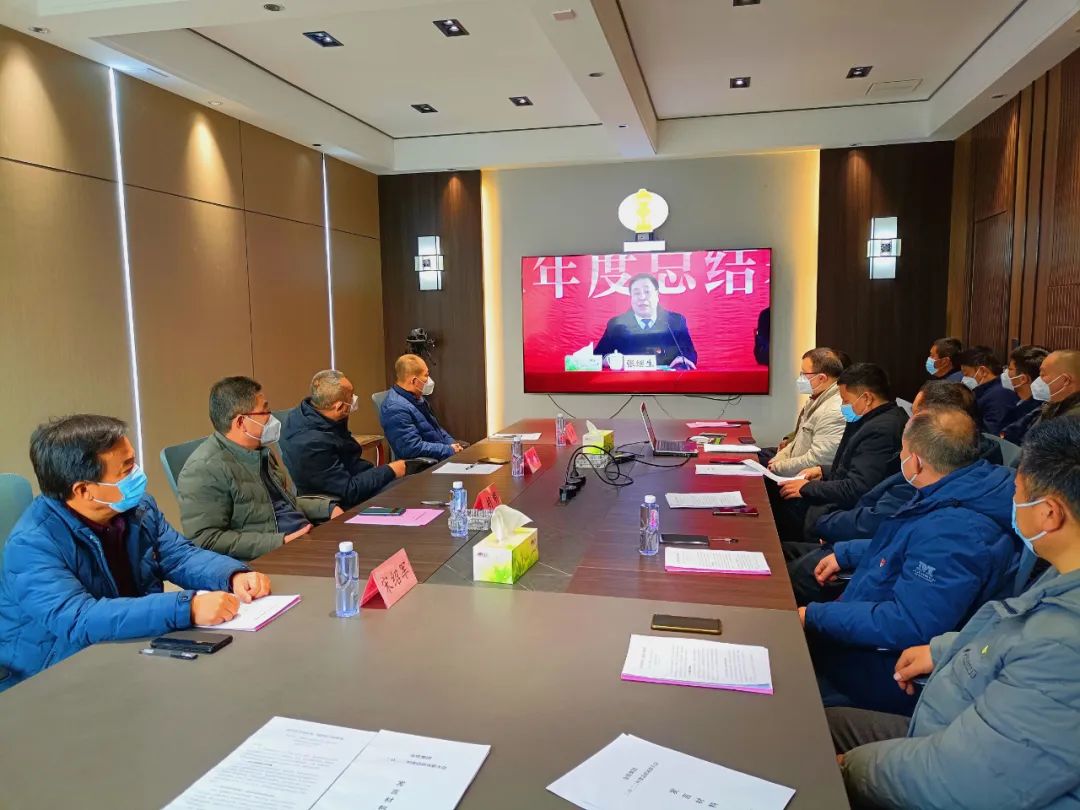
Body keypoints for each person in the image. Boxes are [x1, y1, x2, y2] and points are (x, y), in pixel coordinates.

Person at [831, 416, 1080, 810]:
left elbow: (966, 780)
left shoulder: (1063, 649)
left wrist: (850, 768)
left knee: (807, 731)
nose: (1012, 501)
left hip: (955, 764)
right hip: (952, 716)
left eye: (1017, 492)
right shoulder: (1062, 572)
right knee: (825, 722)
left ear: (1050, 513)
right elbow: (1012, 632)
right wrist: (946, 650)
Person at [0, 415, 270, 690]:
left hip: (132, 644)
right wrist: (186, 608)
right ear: (83, 490)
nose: (137, 474)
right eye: (127, 469)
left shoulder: (137, 508)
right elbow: (80, 619)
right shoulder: (31, 545)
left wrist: (231, 575)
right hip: (56, 675)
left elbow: (178, 556)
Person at [800, 408, 1018, 716]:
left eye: (902, 451)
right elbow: (906, 543)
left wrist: (815, 616)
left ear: (915, 461)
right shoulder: (959, 488)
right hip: (865, 621)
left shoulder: (955, 532)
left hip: (884, 662)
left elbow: (907, 623)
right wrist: (848, 553)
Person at [788, 380, 1002, 605]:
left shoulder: (940, 473)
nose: (909, 422)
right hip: (864, 546)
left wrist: (816, 616)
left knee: (789, 575)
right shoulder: (966, 467)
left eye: (916, 415)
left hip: (870, 563)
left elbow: (883, 525)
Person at [178, 376, 340, 561]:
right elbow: (206, 539)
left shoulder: (259, 452)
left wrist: (326, 509)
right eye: (265, 412)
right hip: (272, 557)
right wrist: (281, 542)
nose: (271, 418)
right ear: (241, 422)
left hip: (303, 539)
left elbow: (280, 504)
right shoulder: (203, 468)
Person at [771, 363, 907, 545]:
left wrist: (807, 488)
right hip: (836, 498)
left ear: (867, 398)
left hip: (843, 511)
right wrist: (823, 470)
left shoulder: (880, 431)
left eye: (845, 401)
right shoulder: (872, 419)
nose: (843, 406)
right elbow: (859, 467)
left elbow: (857, 487)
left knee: (777, 509)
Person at [281, 370, 406, 511]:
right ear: (339, 406)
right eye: (351, 396)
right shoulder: (310, 443)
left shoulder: (313, 413)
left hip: (357, 480)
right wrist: (390, 470)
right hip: (343, 503)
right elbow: (348, 492)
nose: (354, 399)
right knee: (406, 494)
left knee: (408, 483)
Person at [767, 348, 846, 478]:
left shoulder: (834, 411)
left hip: (803, 481)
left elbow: (817, 460)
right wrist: (779, 459)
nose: (800, 379)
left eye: (804, 374)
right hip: (790, 472)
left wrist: (778, 467)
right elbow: (797, 442)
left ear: (821, 378)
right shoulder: (814, 400)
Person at [594, 273, 697, 369]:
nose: (642, 297)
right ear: (631, 297)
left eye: (647, 292)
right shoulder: (616, 324)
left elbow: (690, 353)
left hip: (666, 381)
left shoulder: (675, 321)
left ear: (657, 295)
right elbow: (598, 356)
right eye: (636, 293)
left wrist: (683, 359)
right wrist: (609, 360)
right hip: (627, 381)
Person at [380, 354, 463, 461]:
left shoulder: (417, 398)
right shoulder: (394, 408)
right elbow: (411, 448)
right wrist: (448, 450)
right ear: (414, 381)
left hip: (439, 455)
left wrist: (452, 444)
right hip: (425, 465)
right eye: (426, 375)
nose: (429, 380)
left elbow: (436, 429)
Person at [957, 345, 1018, 435]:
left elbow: (992, 434)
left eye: (966, 374)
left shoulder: (999, 396)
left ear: (982, 371)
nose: (964, 379)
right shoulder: (982, 392)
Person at [998, 344, 1050, 445]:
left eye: (1010, 369)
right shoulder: (1014, 400)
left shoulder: (1037, 413)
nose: (1005, 372)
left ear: (1023, 379)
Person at [1033, 348, 1080, 423]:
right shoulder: (1055, 405)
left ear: (1065, 380)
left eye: (1043, 374)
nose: (1038, 380)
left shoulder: (1071, 420)